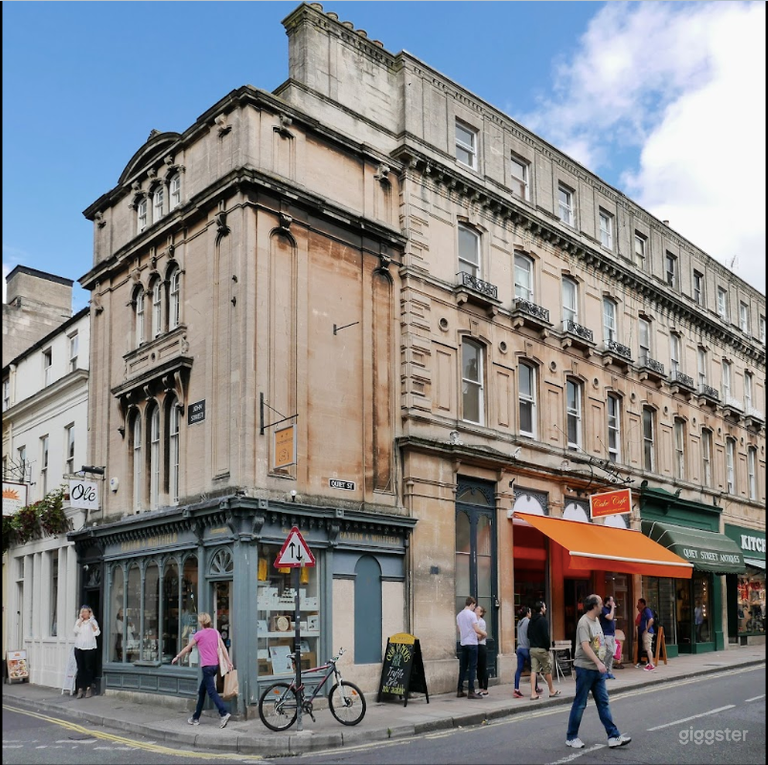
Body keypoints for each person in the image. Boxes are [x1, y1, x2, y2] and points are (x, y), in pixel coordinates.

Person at [565, 594, 631, 749]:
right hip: (585, 669)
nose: (603, 606)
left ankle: (613, 736)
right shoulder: (584, 622)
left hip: (597, 669)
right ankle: (571, 737)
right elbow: (585, 645)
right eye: (601, 603)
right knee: (580, 704)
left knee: (603, 703)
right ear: (594, 606)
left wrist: (603, 659)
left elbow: (598, 643)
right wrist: (598, 662)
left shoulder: (597, 621)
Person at [172, 612, 233, 727]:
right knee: (202, 692)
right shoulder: (215, 632)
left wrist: (177, 656)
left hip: (207, 668)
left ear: (201, 623)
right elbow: (223, 648)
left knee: (211, 692)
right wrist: (229, 662)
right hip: (215, 666)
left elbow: (187, 648)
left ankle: (224, 713)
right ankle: (195, 717)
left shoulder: (199, 635)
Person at [528, 601, 560, 699]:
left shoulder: (531, 621)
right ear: (541, 609)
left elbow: (528, 635)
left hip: (533, 649)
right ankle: (551, 690)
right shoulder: (543, 620)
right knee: (547, 670)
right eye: (544, 607)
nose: (545, 609)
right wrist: (547, 647)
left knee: (533, 670)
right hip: (542, 649)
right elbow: (546, 636)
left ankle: (533, 693)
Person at [456, 596, 485, 700]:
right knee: (472, 668)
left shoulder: (459, 615)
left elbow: (459, 631)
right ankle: (471, 691)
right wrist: (484, 633)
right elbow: (476, 629)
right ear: (472, 604)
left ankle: (459, 690)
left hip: (463, 643)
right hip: (472, 643)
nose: (474, 608)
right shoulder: (472, 615)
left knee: (463, 668)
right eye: (474, 605)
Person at [73, 605, 101, 699]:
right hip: (79, 647)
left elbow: (97, 633)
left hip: (90, 648)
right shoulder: (78, 622)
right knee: (80, 668)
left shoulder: (93, 622)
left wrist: (91, 622)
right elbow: (75, 631)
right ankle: (80, 689)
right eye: (82, 612)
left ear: (89, 613)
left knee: (88, 668)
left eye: (86, 612)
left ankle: (89, 688)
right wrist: (80, 621)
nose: (84, 613)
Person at [514, 606, 541, 698]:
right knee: (533, 668)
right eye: (530, 612)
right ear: (527, 613)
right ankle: (536, 687)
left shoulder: (519, 623)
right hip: (526, 648)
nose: (531, 613)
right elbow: (530, 635)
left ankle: (516, 689)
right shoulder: (529, 622)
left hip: (519, 648)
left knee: (519, 669)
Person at [599, 596, 617, 679]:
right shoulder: (603, 610)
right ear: (607, 602)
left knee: (612, 653)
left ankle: (609, 672)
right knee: (609, 651)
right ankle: (604, 668)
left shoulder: (610, 609)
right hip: (606, 634)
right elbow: (609, 617)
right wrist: (613, 607)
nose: (613, 602)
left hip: (612, 634)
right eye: (611, 601)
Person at [635, 598, 655, 671]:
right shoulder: (643, 611)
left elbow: (651, 619)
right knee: (647, 648)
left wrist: (646, 629)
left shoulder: (646, 610)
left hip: (647, 632)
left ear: (642, 604)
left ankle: (651, 664)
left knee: (648, 648)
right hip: (645, 632)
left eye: (639, 603)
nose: (638, 605)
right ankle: (650, 663)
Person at [474, 605, 489, 696]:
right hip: (476, 645)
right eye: (475, 609)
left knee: (483, 667)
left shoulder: (482, 622)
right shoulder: (474, 622)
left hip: (481, 646)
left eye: (477, 609)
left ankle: (485, 689)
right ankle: (480, 687)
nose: (475, 610)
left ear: (481, 613)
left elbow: (480, 636)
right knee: (479, 668)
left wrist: (473, 634)